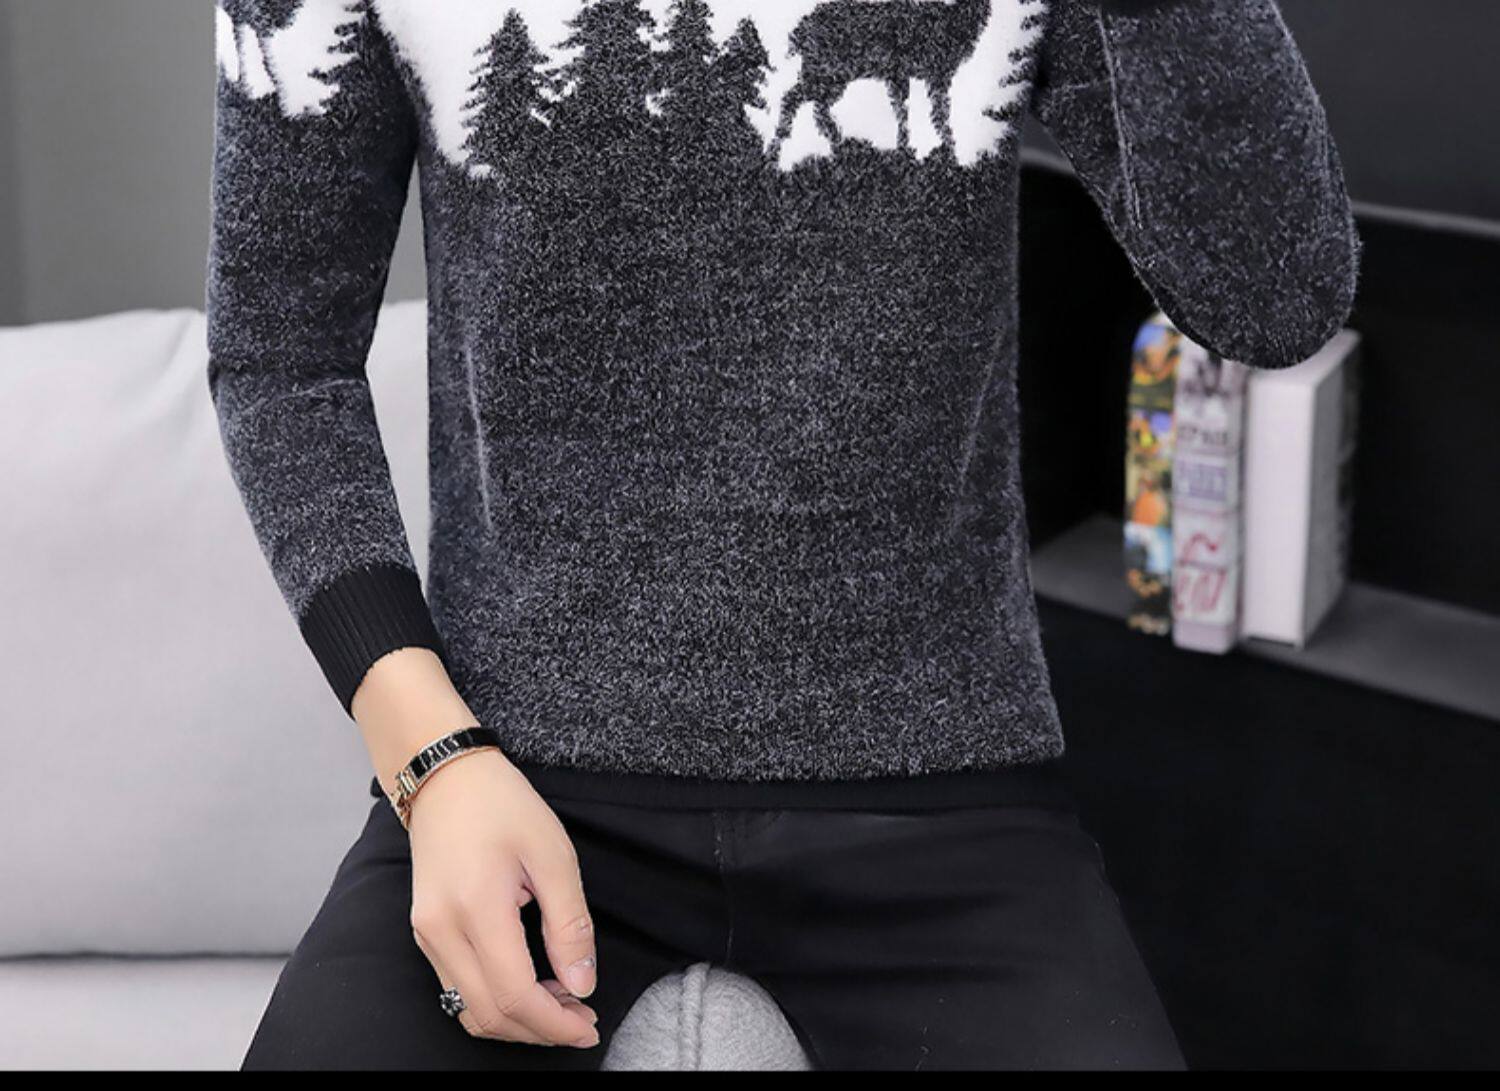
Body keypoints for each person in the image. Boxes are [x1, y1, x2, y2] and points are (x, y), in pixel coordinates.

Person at [206, 0, 1358, 1070]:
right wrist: (433, 759)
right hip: (512, 769)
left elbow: (1275, 301)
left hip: (943, 777)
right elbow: (279, 361)